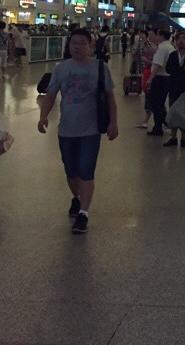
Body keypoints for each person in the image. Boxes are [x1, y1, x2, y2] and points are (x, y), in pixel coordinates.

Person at [38, 28, 118, 234]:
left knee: (86, 170)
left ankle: (83, 213)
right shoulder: (61, 69)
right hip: (66, 129)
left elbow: (110, 97)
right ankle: (77, 197)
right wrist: (43, 116)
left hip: (91, 129)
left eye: (82, 43)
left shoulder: (100, 67)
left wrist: (113, 122)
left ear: (90, 46)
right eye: (73, 42)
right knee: (71, 170)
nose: (77, 47)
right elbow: (50, 95)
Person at [145, 30, 174, 137]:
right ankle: (164, 122)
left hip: (159, 78)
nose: (155, 37)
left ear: (161, 36)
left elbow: (158, 64)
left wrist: (150, 79)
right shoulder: (170, 47)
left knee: (156, 103)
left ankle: (158, 127)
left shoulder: (162, 48)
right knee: (160, 103)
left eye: (156, 35)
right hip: (167, 78)